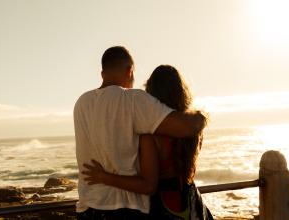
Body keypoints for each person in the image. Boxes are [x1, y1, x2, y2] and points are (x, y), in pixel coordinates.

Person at [74, 46, 207, 219]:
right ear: (129, 71)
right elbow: (186, 127)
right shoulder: (133, 100)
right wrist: (202, 117)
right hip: (129, 209)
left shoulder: (81, 103)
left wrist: (102, 176)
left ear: (102, 73)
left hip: (88, 207)